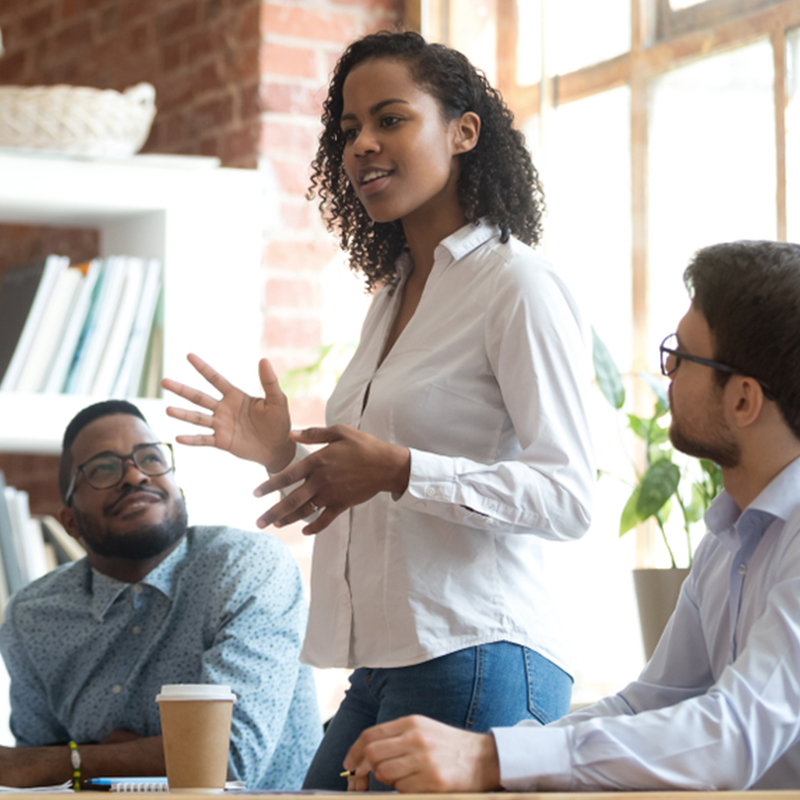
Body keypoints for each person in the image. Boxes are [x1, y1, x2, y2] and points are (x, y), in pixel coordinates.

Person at [161, 30, 594, 791]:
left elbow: (567, 496)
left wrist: (398, 469)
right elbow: (375, 483)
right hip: (386, 666)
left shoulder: (516, 286)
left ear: (464, 131)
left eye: (390, 119)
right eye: (349, 129)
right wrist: (279, 455)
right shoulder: (391, 299)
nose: (362, 145)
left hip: (482, 655)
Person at [341, 239, 800, 792]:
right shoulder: (730, 537)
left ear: (744, 401)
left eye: (683, 354)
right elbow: (650, 702)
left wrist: (491, 760)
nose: (668, 370)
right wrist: (499, 754)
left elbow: (732, 736)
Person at [0, 400, 321, 789]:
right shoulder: (33, 617)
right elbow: (28, 777)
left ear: (179, 491)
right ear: (70, 522)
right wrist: (146, 757)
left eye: (151, 459)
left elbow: (226, 759)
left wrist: (77, 759)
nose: (134, 477)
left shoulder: (248, 567)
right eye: (103, 468)